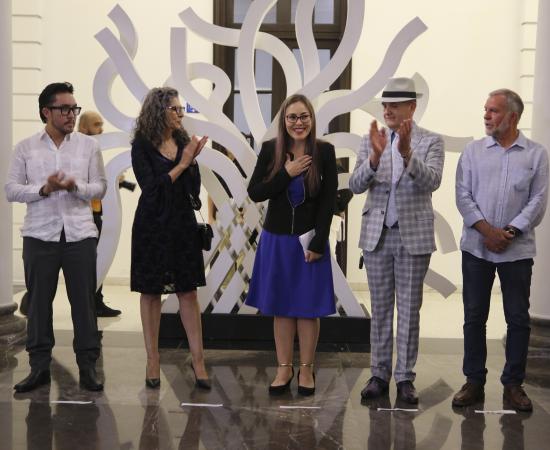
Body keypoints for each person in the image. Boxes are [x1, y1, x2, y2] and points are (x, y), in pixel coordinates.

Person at [5, 82, 107, 392]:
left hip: (80, 235)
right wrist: (44, 189)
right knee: (38, 304)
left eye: (74, 108)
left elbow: (100, 186)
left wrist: (75, 187)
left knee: (84, 304)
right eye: (64, 109)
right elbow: (11, 190)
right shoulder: (25, 148)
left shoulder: (89, 147)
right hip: (39, 235)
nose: (71, 114)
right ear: (46, 112)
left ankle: (88, 367)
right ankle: (39, 368)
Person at [349, 77, 445, 404]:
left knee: (408, 310)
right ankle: (379, 374)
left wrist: (406, 155)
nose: (387, 110)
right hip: (376, 236)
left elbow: (432, 181)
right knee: (380, 310)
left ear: (411, 107)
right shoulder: (370, 141)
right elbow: (355, 185)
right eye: (385, 105)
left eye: (394, 105)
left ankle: (405, 378)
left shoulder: (431, 141)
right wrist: (374, 159)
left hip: (412, 237)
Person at [453, 89, 549, 412]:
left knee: (518, 318)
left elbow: (538, 201)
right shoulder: (472, 152)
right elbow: (462, 195)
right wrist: (487, 231)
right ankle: (473, 381)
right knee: (474, 316)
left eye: (493, 111)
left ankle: (513, 385)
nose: (486, 115)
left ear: (513, 117)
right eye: (486, 109)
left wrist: (508, 232)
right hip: (477, 248)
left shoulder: (536, 155)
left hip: (516, 250)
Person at [246, 94, 338, 396]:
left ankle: (306, 369)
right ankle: (284, 368)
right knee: (281, 308)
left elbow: (328, 201)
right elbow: (256, 192)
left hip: (309, 241)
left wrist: (319, 242)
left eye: (303, 116)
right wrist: (286, 173)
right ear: (283, 121)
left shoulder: (324, 152)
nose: (298, 122)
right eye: (292, 117)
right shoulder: (270, 150)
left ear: (311, 119)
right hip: (277, 240)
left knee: (308, 309)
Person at [130, 87, 210, 389]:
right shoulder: (142, 145)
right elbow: (151, 191)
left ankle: (199, 362)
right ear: (158, 111)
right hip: (151, 226)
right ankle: (152, 359)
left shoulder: (183, 141)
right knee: (151, 293)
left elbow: (193, 190)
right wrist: (183, 163)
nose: (180, 115)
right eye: (174, 109)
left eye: (181, 109)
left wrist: (191, 162)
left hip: (182, 224)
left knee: (188, 293)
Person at [78, 110, 122, 317]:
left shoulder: (92, 149)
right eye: (97, 124)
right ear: (83, 127)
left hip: (95, 212)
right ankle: (93, 303)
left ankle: (96, 301)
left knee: (97, 258)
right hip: (84, 215)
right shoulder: (78, 151)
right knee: (91, 260)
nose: (101, 129)